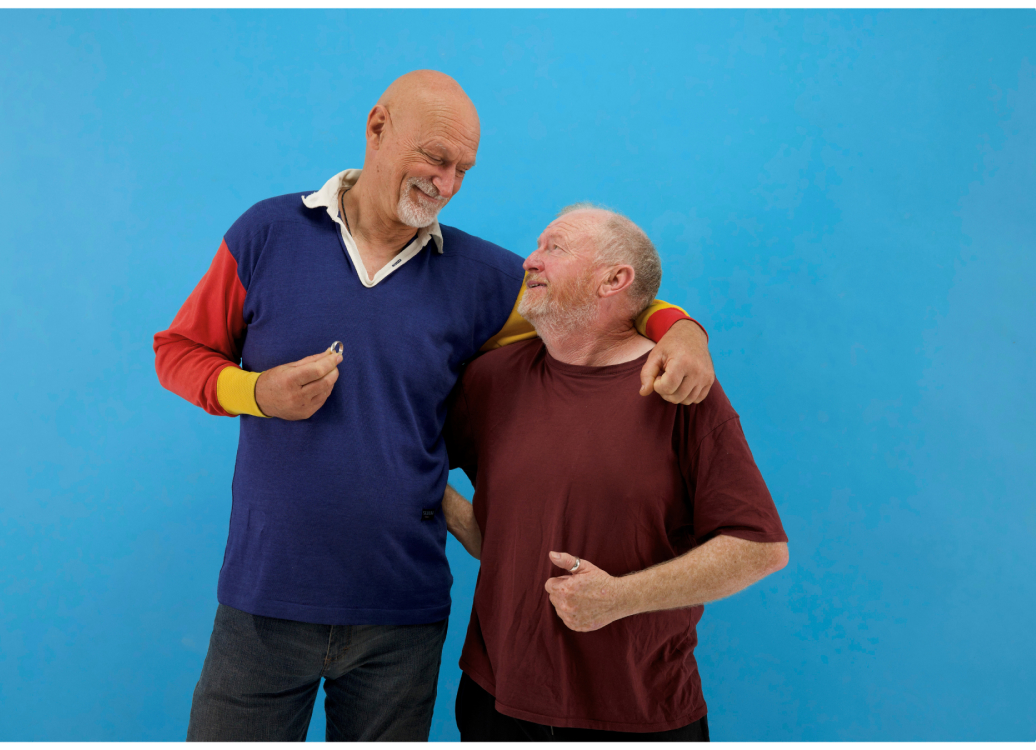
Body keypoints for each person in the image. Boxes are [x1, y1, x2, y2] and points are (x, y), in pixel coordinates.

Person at [153, 71, 716, 741]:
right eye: (435, 157)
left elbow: (602, 304)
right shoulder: (268, 233)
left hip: (401, 618)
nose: (446, 182)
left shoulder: (480, 278)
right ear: (377, 128)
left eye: (462, 169)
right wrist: (256, 393)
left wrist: (681, 331)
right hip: (264, 602)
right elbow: (180, 350)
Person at [443, 204, 789, 741]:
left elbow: (759, 547)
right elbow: (496, 531)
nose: (530, 260)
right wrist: (439, 499)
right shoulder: (492, 381)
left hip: (637, 712)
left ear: (615, 280)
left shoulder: (680, 388)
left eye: (553, 247)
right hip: (495, 702)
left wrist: (620, 597)